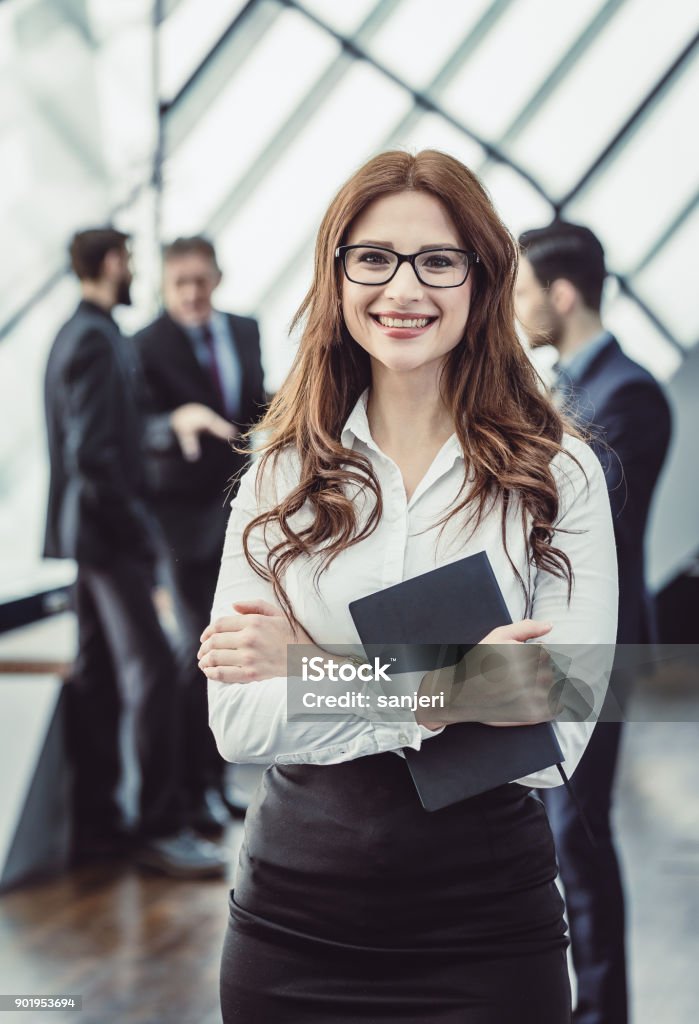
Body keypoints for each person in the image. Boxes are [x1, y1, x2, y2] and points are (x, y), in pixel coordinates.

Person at [198, 152, 618, 1022]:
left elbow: (559, 724)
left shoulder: (556, 473)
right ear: (338, 272)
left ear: (480, 278)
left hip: (488, 933)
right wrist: (455, 687)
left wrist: (311, 665)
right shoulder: (280, 472)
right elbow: (237, 723)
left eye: (437, 260)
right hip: (290, 927)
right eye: (373, 257)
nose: (403, 288)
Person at [516, 220, 672, 1024]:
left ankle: (603, 1011)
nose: (514, 306)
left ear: (562, 293)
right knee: (559, 835)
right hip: (557, 646)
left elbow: (589, 519)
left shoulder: (629, 395)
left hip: (599, 650)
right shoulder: (569, 390)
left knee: (578, 835)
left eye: (522, 289)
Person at [43, 227, 227, 878]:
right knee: (152, 669)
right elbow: (93, 456)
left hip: (90, 536)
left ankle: (98, 827)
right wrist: (141, 539)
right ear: (105, 264)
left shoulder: (84, 333)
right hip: (107, 535)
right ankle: (156, 825)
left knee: (98, 675)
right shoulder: (95, 340)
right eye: (126, 260)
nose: (132, 272)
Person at [135, 237, 266, 833]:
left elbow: (255, 407)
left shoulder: (244, 330)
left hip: (241, 521)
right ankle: (189, 797)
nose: (190, 293)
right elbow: (134, 425)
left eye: (199, 280)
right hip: (182, 529)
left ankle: (214, 785)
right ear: (165, 285)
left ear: (218, 276)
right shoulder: (145, 345)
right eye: (179, 283)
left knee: (231, 653)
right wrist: (171, 424)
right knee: (199, 657)